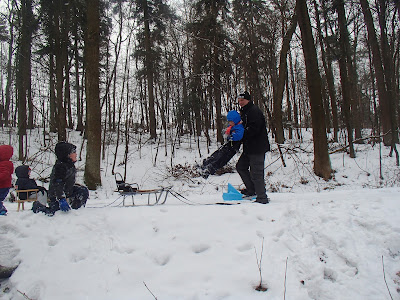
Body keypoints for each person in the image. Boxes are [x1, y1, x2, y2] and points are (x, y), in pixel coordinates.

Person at [32, 141, 89, 215]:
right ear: (67, 155)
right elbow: (57, 184)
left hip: (67, 191)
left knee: (82, 191)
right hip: (56, 194)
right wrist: (61, 198)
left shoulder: (70, 165)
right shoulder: (60, 167)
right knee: (55, 213)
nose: (76, 154)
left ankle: (76, 210)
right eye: (73, 152)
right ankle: (39, 208)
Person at [236, 91, 270, 204]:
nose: (240, 102)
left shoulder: (254, 111)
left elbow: (254, 129)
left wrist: (241, 133)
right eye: (239, 100)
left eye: (243, 100)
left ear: (248, 100)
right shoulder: (245, 112)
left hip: (257, 148)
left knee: (257, 174)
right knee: (241, 166)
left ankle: (262, 197)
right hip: (249, 148)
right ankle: (251, 190)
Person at [200, 110, 244, 178]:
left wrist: (230, 135)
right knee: (218, 153)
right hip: (229, 144)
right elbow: (227, 131)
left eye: (231, 121)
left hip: (233, 147)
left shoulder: (240, 127)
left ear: (235, 121)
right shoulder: (231, 126)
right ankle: (207, 162)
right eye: (229, 121)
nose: (230, 123)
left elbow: (238, 136)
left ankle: (211, 169)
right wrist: (226, 133)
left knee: (222, 158)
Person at [0, 145, 13, 215]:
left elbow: (4, 174)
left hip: (2, 186)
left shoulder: (5, 164)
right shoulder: (3, 163)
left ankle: (1, 210)